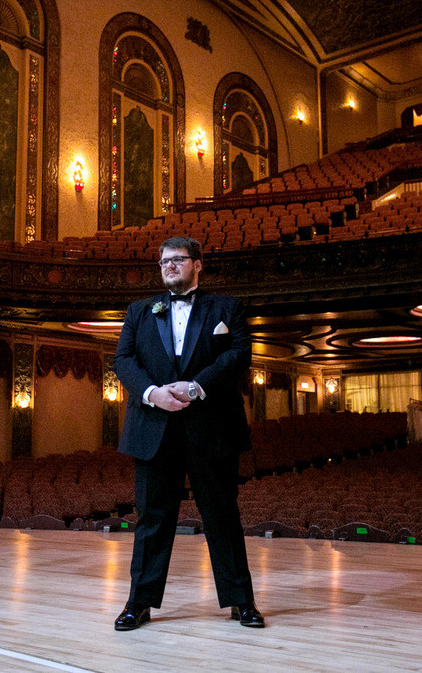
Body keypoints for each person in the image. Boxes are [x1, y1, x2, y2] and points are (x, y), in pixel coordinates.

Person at [112, 236, 264, 630]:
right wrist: (151, 393)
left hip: (211, 429)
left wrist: (196, 386)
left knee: (222, 517)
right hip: (154, 429)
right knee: (152, 520)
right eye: (164, 261)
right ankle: (138, 603)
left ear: (199, 264)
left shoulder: (227, 307)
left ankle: (241, 602)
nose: (170, 266)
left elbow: (238, 354)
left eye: (178, 259)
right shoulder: (139, 311)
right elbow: (123, 360)